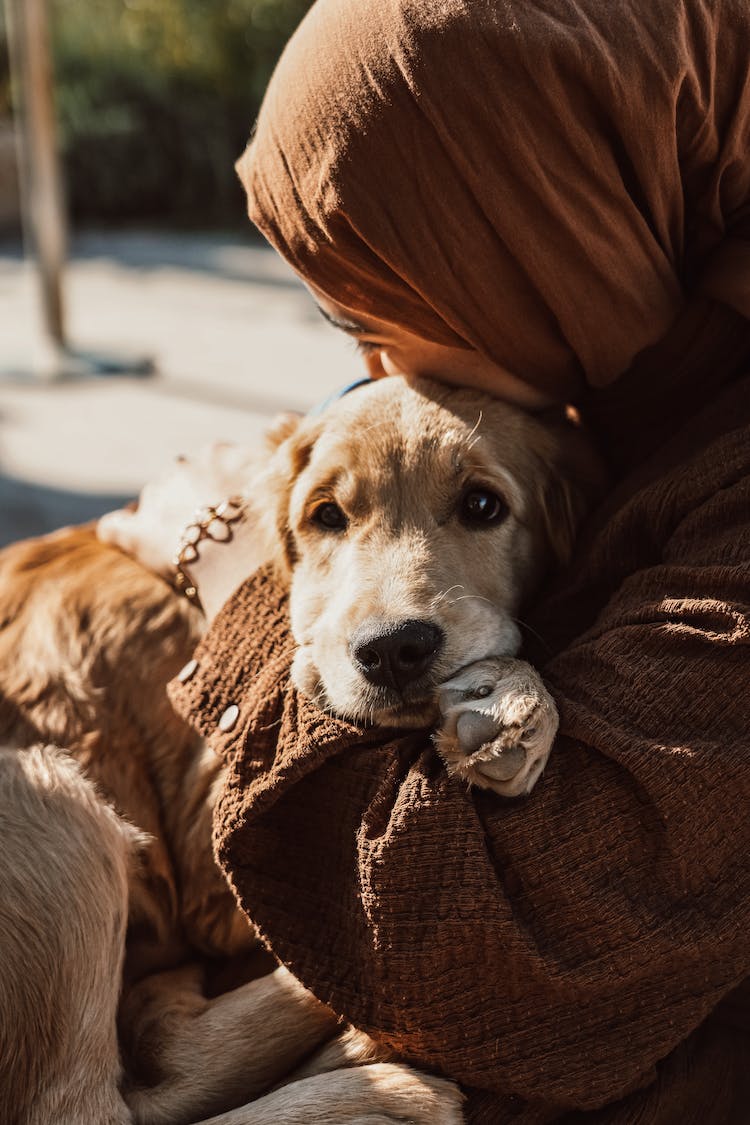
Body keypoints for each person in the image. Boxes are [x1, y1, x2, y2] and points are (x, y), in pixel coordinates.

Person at [100, 1, 750, 1121]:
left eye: (397, 291)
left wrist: (238, 580)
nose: (372, 361)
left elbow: (486, 947)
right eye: (339, 306)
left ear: (554, 227)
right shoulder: (652, 390)